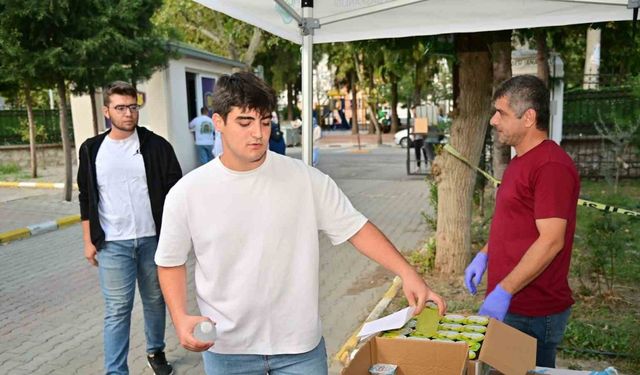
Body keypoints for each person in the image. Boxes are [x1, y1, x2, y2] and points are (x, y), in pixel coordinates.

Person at [154, 72, 446, 375]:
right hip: (227, 350)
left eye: (265, 122)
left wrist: (408, 273)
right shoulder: (188, 192)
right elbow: (169, 261)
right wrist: (179, 316)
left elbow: (356, 228)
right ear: (218, 122)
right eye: (245, 122)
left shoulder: (306, 179)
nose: (258, 133)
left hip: (299, 350)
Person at [464, 75, 580, 368]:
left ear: (528, 117)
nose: (493, 120)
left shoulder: (550, 166)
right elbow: (514, 223)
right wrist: (484, 254)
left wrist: (504, 290)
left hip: (533, 312)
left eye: (501, 113)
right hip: (514, 303)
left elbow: (552, 240)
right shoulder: (520, 161)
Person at [77, 81, 182, 375]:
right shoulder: (91, 149)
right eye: (121, 108)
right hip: (112, 244)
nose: (128, 114)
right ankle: (116, 371)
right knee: (117, 310)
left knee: (155, 299)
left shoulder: (156, 146)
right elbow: (86, 197)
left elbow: (176, 192)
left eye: (133, 107)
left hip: (152, 240)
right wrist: (88, 240)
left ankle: (155, 351)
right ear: (107, 111)